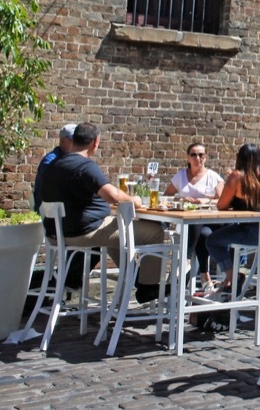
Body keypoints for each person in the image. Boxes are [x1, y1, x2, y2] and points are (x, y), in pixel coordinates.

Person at [37, 122, 167, 302]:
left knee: (117, 233)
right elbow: (113, 196)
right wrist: (135, 200)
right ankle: (149, 287)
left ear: (73, 140)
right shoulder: (84, 166)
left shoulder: (54, 165)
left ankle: (136, 277)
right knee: (155, 232)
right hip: (84, 233)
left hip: (59, 234)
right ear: (95, 142)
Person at [206, 143, 260, 292]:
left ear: (239, 158)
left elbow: (221, 205)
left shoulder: (237, 176)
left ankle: (233, 277)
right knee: (230, 234)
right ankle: (230, 281)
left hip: (253, 232)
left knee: (212, 240)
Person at [164, 142, 224, 286]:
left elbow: (223, 201)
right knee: (203, 234)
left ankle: (186, 258)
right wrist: (180, 198)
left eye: (201, 155)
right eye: (194, 155)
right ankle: (204, 275)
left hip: (211, 220)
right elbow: (166, 196)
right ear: (188, 158)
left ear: (206, 157)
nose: (198, 158)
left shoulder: (213, 177)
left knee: (197, 221)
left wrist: (205, 201)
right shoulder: (181, 176)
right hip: (187, 225)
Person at [33, 123, 76, 212]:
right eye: (73, 140)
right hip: (50, 214)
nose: (76, 143)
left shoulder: (70, 158)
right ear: (62, 141)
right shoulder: (50, 160)